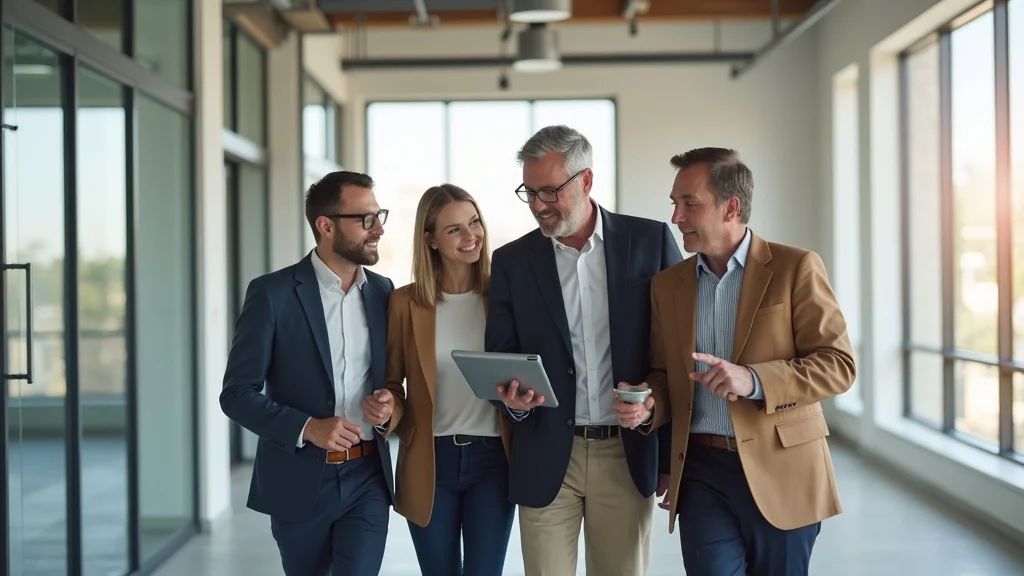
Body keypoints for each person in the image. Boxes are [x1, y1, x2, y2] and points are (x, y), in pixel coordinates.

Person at [619, 147, 856, 575]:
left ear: (730, 207)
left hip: (783, 468)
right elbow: (665, 373)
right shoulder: (667, 285)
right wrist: (649, 403)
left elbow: (838, 365)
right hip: (701, 474)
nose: (676, 217)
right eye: (674, 203)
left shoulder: (796, 267)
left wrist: (753, 380)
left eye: (689, 204)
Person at [485, 125, 683, 576]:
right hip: (545, 454)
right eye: (529, 192)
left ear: (586, 180)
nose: (538, 205)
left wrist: (672, 457)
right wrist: (512, 402)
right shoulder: (512, 262)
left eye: (550, 191)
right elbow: (501, 353)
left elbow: (675, 354)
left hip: (628, 453)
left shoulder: (649, 242)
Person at [220, 171, 396, 576]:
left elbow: (391, 379)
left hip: (368, 476)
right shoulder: (273, 293)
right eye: (366, 219)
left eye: (379, 216)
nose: (379, 229)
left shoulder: (384, 292)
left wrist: (389, 403)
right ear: (326, 226)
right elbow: (237, 394)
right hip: (299, 480)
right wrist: (308, 427)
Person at [363, 184, 516, 575]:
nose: (471, 235)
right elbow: (393, 385)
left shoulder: (505, 297)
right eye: (454, 229)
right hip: (430, 459)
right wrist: (386, 407)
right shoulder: (405, 303)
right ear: (430, 239)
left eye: (474, 222)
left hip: (493, 459)